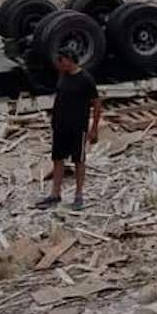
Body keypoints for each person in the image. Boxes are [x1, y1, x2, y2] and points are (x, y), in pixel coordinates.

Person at [36, 49, 102, 209]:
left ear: (70, 60)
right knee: (58, 159)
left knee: (78, 160)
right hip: (60, 126)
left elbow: (97, 104)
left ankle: (79, 196)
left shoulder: (85, 79)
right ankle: (55, 194)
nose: (59, 62)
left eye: (62, 59)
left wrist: (94, 129)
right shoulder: (63, 75)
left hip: (77, 126)